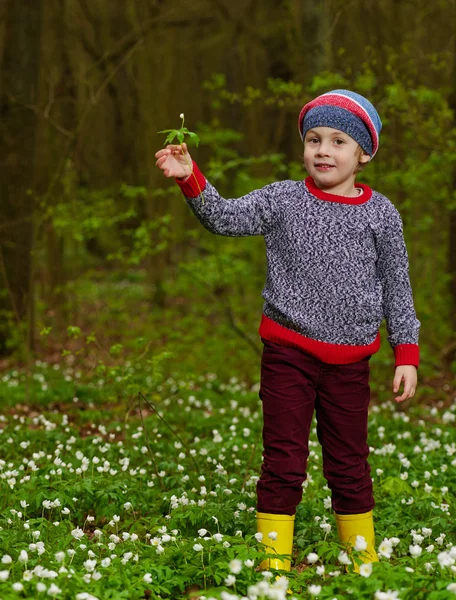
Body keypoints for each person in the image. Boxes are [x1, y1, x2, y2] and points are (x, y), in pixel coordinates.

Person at [155, 89, 420, 572]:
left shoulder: (382, 214)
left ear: (363, 154)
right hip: (287, 353)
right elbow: (225, 217)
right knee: (283, 459)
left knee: (349, 462)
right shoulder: (283, 199)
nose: (324, 150)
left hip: (350, 362)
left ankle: (363, 565)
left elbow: (398, 287)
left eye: (339, 141)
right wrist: (189, 177)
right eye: (314, 139)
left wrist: (407, 352)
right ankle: (272, 566)